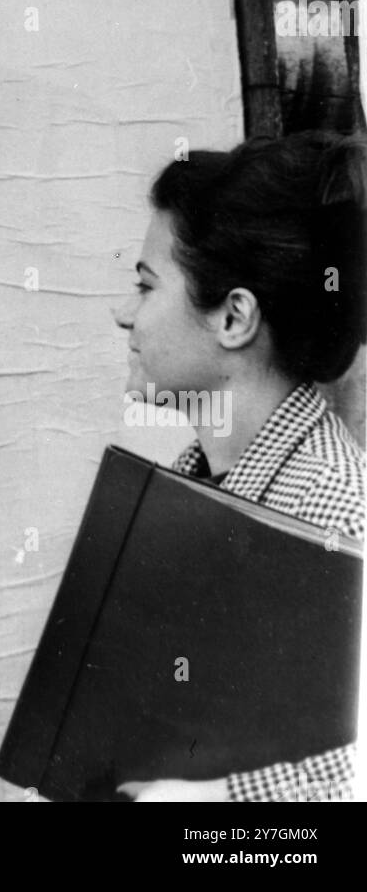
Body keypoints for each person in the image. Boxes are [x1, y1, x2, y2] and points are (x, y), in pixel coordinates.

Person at [111, 130, 365, 803]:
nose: (122, 315)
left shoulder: (335, 507)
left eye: (144, 287)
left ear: (233, 317)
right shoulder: (186, 484)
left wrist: (207, 804)